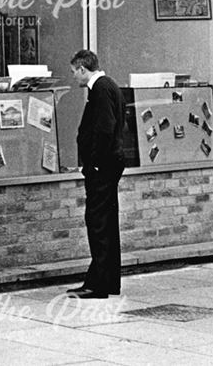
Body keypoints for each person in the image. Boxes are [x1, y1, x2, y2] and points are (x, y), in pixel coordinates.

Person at [67, 49, 126, 299]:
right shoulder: (108, 85)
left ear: (83, 69)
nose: (73, 78)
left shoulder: (100, 89)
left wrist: (93, 164)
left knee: (98, 222)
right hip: (110, 164)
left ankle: (99, 284)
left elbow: (104, 129)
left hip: (103, 167)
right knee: (107, 222)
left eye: (74, 72)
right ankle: (106, 279)